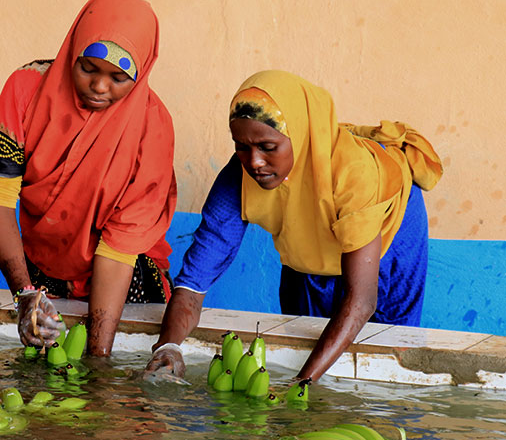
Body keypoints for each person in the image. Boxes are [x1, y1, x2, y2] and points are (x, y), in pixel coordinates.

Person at [145, 70, 442, 382]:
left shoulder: (354, 174)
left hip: (390, 239)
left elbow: (363, 300)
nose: (254, 161)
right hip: (306, 254)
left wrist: (300, 384)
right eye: (241, 146)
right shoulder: (239, 178)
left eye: (268, 147)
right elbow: (193, 283)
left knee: (382, 352)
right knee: (302, 332)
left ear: (300, 137)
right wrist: (169, 346)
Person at [0, 0, 177, 356]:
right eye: (88, 68)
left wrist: (98, 361)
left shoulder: (153, 127)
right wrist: (25, 294)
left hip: (125, 282)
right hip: (41, 274)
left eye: (119, 77)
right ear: (73, 49)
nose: (100, 87)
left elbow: (119, 251)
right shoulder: (26, 89)